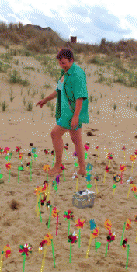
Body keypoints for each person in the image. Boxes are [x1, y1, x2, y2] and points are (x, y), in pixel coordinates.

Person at [36, 48, 89, 177]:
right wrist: (45, 100)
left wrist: (76, 116)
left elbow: (80, 97)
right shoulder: (64, 73)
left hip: (73, 112)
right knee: (76, 140)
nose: (62, 65)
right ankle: (82, 169)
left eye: (64, 63)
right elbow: (58, 90)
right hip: (66, 111)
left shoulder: (77, 74)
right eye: (60, 63)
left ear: (71, 60)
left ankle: (58, 166)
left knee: (55, 134)